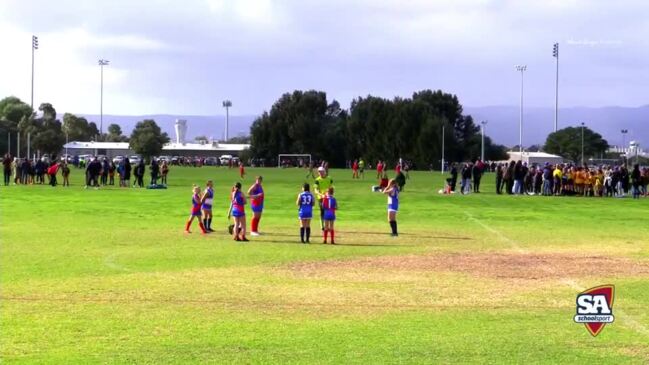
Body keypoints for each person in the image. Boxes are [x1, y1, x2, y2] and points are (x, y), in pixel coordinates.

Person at [314, 166, 334, 231]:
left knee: (329, 211)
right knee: (322, 211)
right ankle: (322, 226)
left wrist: (330, 194)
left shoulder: (329, 179)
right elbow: (316, 190)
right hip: (321, 198)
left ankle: (328, 225)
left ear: (324, 172)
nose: (320, 173)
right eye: (319, 172)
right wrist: (321, 194)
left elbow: (331, 188)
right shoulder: (317, 180)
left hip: (328, 198)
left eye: (321, 172)